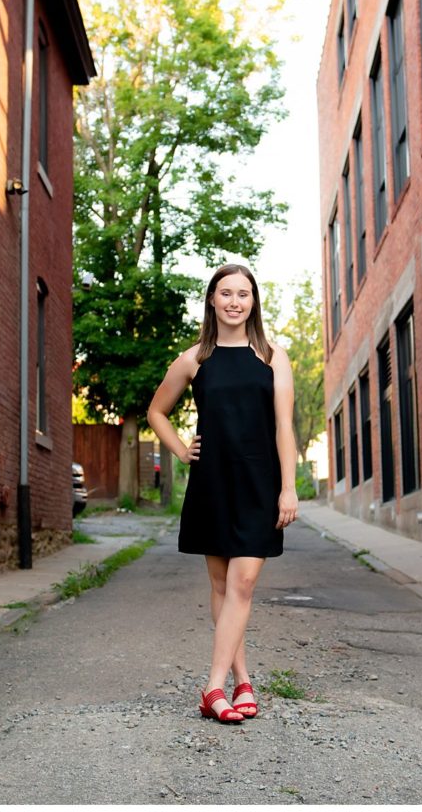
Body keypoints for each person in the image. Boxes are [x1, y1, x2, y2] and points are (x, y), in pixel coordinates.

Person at [146, 262, 298, 726]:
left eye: (243, 294)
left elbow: (284, 428)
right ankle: (243, 680)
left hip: (259, 482)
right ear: (212, 300)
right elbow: (156, 411)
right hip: (212, 480)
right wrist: (180, 450)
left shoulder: (273, 355)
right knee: (220, 586)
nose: (234, 301)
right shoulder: (194, 358)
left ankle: (212, 685)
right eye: (226, 293)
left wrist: (288, 488)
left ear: (254, 302)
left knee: (243, 583)